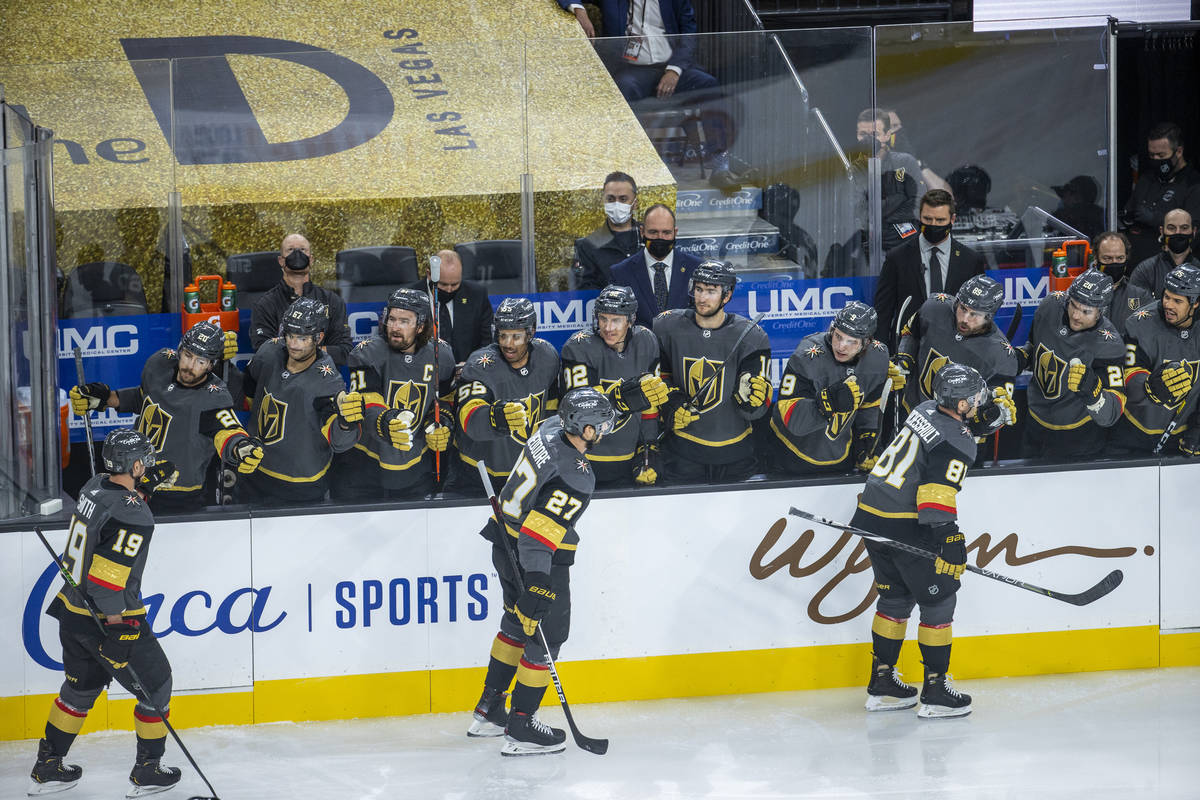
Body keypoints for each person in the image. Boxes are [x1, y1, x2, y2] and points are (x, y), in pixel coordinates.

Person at [29, 429, 181, 795]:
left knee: (79, 692)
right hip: (109, 619)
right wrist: (119, 628)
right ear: (137, 464)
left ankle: (47, 766)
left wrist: (143, 488)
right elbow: (107, 581)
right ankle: (148, 770)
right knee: (157, 687)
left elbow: (113, 511)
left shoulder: (93, 486)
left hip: (72, 611)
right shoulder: (137, 516)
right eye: (147, 461)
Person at [467, 387, 615, 755]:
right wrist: (537, 584)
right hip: (535, 558)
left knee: (515, 625)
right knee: (547, 636)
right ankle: (521, 725)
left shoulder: (550, 426)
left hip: (504, 541)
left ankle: (489, 709)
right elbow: (538, 535)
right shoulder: (577, 476)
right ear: (584, 428)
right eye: (602, 424)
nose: (607, 428)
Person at [851, 363, 999, 718]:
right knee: (940, 601)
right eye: (975, 399)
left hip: (871, 515)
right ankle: (935, 690)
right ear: (961, 405)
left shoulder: (924, 409)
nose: (980, 402)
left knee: (895, 598)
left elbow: (934, 444)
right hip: (907, 525)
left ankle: (882, 683)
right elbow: (935, 492)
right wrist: (949, 538)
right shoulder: (959, 440)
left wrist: (972, 425)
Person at [69, 321, 263, 513]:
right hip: (134, 481)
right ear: (180, 350)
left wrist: (240, 447)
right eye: (187, 355)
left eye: (201, 361)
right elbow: (146, 398)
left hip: (177, 495)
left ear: (212, 365)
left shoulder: (213, 397)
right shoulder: (159, 363)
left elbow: (226, 429)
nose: (190, 366)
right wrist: (106, 399)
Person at [654, 260, 771, 484]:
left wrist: (753, 401)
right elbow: (659, 378)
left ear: (726, 296)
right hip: (682, 455)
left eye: (710, 291)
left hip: (737, 456)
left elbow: (756, 409)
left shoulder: (752, 336)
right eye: (698, 289)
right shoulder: (666, 326)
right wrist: (671, 403)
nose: (702, 298)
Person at [333, 289, 456, 501]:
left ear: (421, 325)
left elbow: (445, 401)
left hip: (416, 470)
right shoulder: (366, 353)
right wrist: (386, 421)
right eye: (391, 319)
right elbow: (368, 401)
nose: (395, 327)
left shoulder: (441, 355)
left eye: (404, 321)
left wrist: (440, 423)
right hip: (364, 469)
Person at [238, 297, 362, 505]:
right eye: (290, 335)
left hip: (300, 483)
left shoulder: (328, 382)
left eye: (302, 338)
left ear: (319, 337)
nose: (293, 344)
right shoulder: (269, 351)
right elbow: (249, 387)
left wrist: (346, 422)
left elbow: (340, 443)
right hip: (254, 471)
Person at [768, 302, 900, 475]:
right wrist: (827, 402)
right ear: (832, 329)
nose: (841, 346)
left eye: (851, 341)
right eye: (838, 336)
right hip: (789, 455)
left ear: (867, 342)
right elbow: (792, 419)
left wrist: (865, 440)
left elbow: (869, 407)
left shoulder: (878, 357)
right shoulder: (807, 355)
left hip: (839, 456)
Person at [560, 284, 669, 486]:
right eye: (603, 319)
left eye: (616, 320)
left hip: (629, 462)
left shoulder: (646, 340)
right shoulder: (578, 347)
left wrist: (648, 448)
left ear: (631, 320)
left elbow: (651, 406)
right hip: (586, 462)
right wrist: (623, 399)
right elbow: (581, 416)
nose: (608, 328)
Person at [453, 297, 561, 496]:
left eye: (515, 337)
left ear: (531, 332)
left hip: (529, 470)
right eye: (503, 336)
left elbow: (552, 409)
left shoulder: (547, 356)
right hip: (480, 473)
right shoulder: (481, 364)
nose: (508, 344)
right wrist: (494, 418)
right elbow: (468, 417)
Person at [1016, 270, 1127, 461]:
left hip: (1078, 436)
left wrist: (1094, 393)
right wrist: (1022, 356)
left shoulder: (1110, 345)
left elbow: (1112, 413)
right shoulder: (1050, 305)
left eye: (1086, 311)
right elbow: (1035, 345)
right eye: (1073, 305)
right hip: (1035, 422)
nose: (1076, 315)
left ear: (1101, 310)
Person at [894, 275, 1019, 426]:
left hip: (955, 433)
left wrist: (990, 417)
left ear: (989, 316)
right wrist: (905, 357)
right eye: (963, 309)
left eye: (974, 314)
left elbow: (994, 407)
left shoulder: (1001, 355)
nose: (965, 319)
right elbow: (912, 332)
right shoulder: (935, 307)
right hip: (911, 412)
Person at [874, 189, 987, 351]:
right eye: (928, 219)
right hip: (908, 349)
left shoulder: (970, 261)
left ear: (952, 219)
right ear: (919, 216)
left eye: (940, 220)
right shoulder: (897, 258)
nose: (933, 225)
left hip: (958, 348)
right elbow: (883, 312)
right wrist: (882, 355)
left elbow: (980, 312)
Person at [1109, 264, 1200, 456]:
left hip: (1183, 435)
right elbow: (1129, 371)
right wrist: (1149, 386)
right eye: (1166, 297)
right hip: (1134, 431)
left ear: (1195, 303)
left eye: (1177, 301)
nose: (1168, 305)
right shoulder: (1139, 323)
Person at [249, 233, 354, 365]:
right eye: (291, 250)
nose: (297, 254)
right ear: (281, 260)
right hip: (283, 382)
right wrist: (315, 351)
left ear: (311, 259)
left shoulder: (332, 301)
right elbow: (264, 352)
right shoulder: (265, 305)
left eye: (303, 250)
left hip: (324, 380)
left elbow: (343, 352)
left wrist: (298, 353)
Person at [611, 204, 701, 329]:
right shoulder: (620, 273)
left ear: (675, 232)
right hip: (640, 347)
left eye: (666, 232)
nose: (660, 238)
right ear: (642, 231)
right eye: (653, 232)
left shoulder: (696, 269)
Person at [1122, 122, 1200, 264]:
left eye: (1161, 155)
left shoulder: (1193, 184)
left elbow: (1194, 231)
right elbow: (1130, 211)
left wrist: (1156, 219)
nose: (1156, 160)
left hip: (1170, 266)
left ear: (1179, 151)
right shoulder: (1146, 178)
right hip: (1135, 264)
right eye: (1152, 155)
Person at [854, 108, 925, 255]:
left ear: (887, 135)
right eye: (863, 134)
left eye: (875, 134)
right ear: (857, 135)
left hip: (902, 246)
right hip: (864, 249)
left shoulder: (905, 162)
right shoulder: (850, 170)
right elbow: (853, 211)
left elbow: (917, 204)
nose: (869, 140)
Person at [408, 248, 494, 367]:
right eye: (443, 284)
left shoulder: (477, 295)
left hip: (468, 371)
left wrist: (474, 363)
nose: (449, 289)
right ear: (429, 274)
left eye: (455, 284)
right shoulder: (408, 297)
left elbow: (488, 341)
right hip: (421, 371)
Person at [571, 172, 644, 290]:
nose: (616, 204)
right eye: (611, 199)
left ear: (635, 203)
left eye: (623, 199)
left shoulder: (649, 236)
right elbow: (584, 291)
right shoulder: (588, 245)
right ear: (603, 201)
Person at [1129, 208, 1198, 299]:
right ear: (1162, 231)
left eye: (1184, 228)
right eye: (1171, 228)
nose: (1178, 232)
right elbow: (1137, 309)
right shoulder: (1145, 271)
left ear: (1194, 231)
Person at [1092, 230, 1152, 335]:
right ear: (1096, 259)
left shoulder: (1141, 297)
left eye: (1120, 258)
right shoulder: (1081, 295)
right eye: (1107, 258)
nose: (1114, 262)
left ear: (1126, 258)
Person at [1051, 175, 1105, 240]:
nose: (1063, 199)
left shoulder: (1100, 217)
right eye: (1062, 195)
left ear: (1079, 197)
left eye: (1067, 193)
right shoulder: (1057, 217)